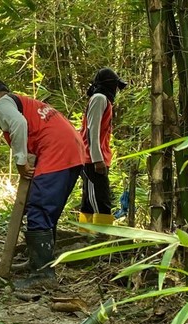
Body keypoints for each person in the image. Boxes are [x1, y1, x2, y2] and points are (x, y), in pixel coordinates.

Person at [0, 79, 84, 289]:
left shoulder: (3, 103)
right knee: (46, 213)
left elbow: (19, 124)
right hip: (72, 150)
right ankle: (40, 263)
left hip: (57, 151)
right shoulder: (25, 104)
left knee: (39, 210)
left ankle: (43, 275)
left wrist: (20, 161)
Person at [78, 68, 127, 227]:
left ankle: (86, 236)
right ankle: (100, 238)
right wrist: (97, 159)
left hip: (97, 157)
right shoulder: (99, 98)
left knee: (90, 200)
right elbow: (92, 130)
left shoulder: (103, 100)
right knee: (100, 202)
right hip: (91, 158)